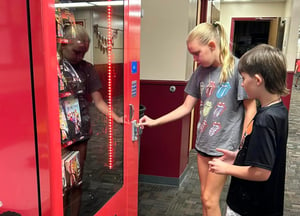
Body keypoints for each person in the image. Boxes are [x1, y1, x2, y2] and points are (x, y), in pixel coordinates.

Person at [139, 22, 257, 216]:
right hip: (203, 144)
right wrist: (154, 121)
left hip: (225, 148)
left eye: (197, 53)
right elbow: (186, 107)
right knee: (205, 198)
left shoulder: (236, 69)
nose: (194, 59)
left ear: (212, 46)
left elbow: (250, 108)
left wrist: (242, 146)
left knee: (210, 200)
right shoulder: (200, 72)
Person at [208, 44, 289, 216]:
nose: (242, 84)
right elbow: (265, 157)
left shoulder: (264, 120)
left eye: (244, 78)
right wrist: (237, 156)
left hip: (249, 206)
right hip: (264, 203)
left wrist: (225, 168)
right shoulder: (279, 110)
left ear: (258, 80)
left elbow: (261, 172)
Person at [58, 24, 123, 215]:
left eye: (84, 52)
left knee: (76, 178)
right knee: (58, 182)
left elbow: (99, 101)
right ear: (63, 45)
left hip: (80, 131)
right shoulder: (52, 66)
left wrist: (117, 118)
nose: (80, 57)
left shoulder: (87, 68)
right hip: (57, 133)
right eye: (76, 52)